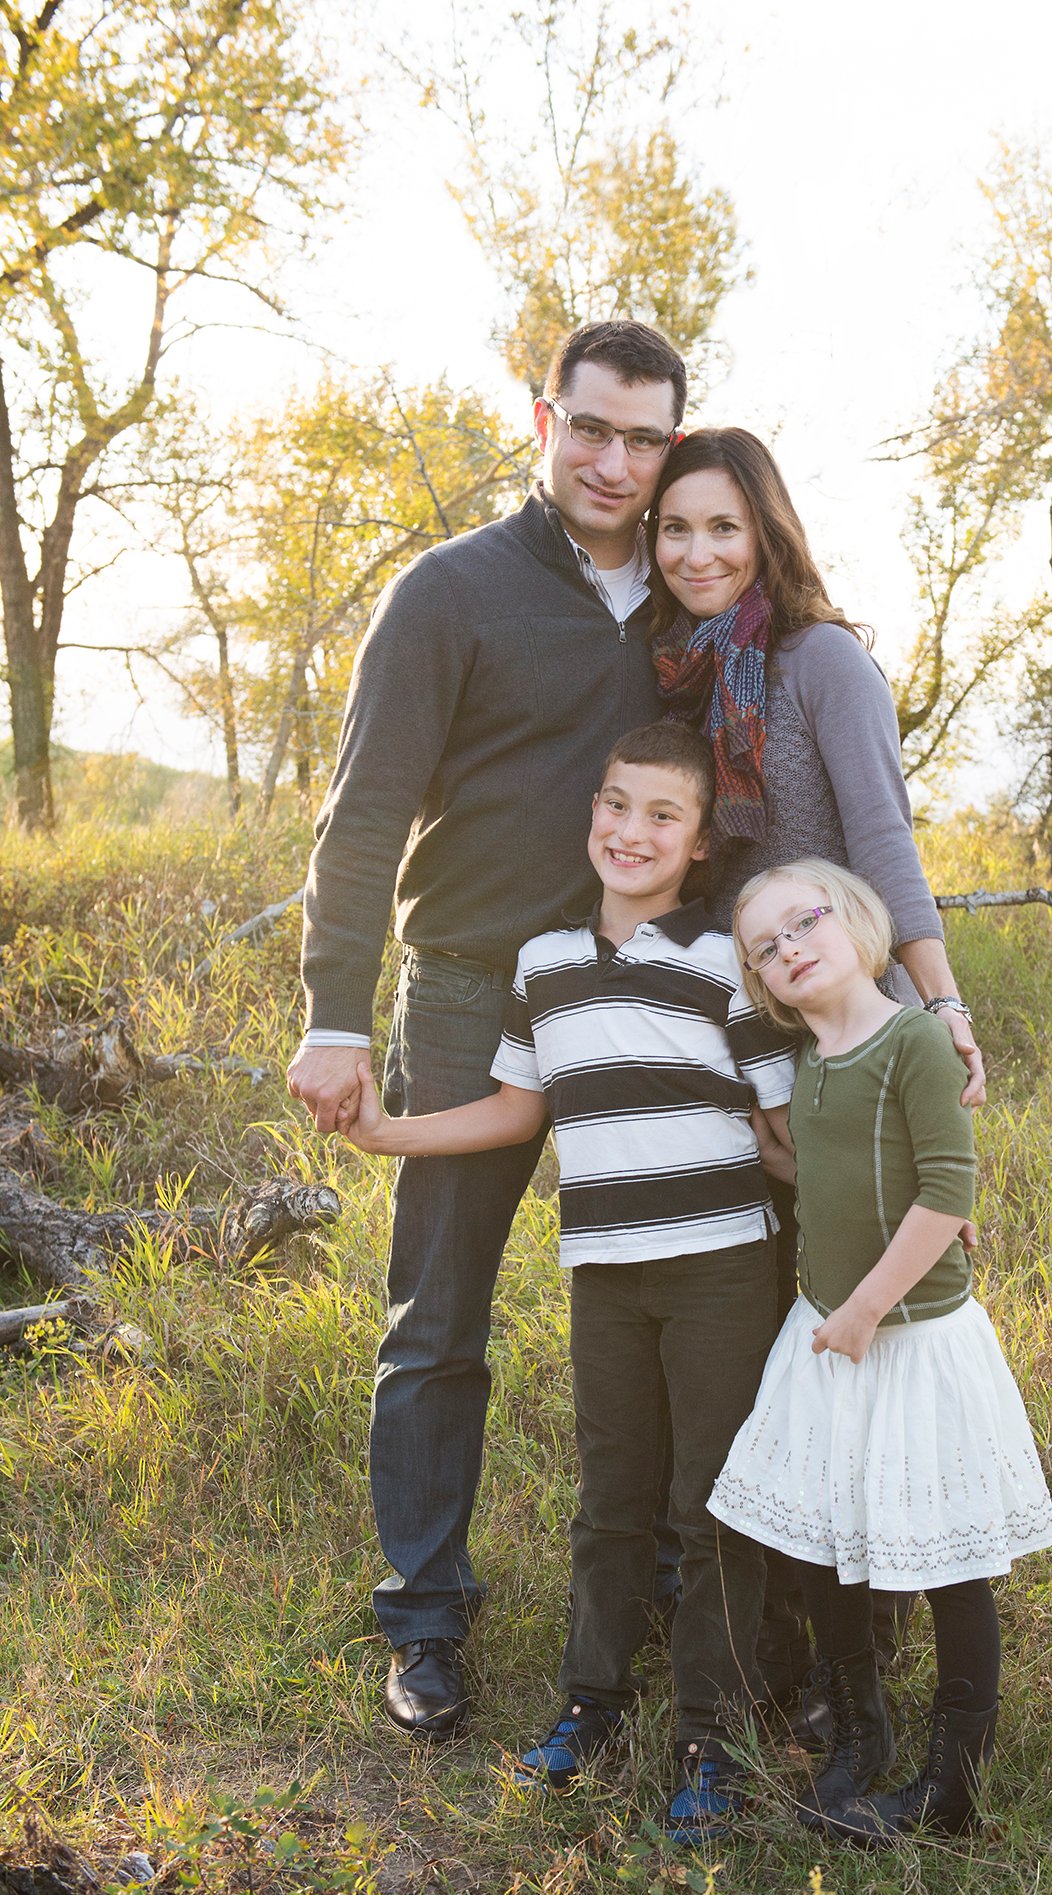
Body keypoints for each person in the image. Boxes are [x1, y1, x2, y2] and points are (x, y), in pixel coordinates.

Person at [286, 321, 689, 1742]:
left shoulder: (693, 600)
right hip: (463, 987)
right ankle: (423, 1619)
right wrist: (336, 1015)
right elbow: (362, 815)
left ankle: (653, 1592)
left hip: (639, 998)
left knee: (657, 1299)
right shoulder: (446, 593)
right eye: (590, 427)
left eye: (643, 438)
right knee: (439, 1316)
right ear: (540, 419)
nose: (613, 462)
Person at [340, 724, 796, 1843]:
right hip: (605, 1275)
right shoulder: (541, 963)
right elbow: (514, 1109)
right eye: (614, 804)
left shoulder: (722, 959)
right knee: (609, 1502)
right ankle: (588, 1701)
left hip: (723, 1269)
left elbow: (781, 1128)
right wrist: (385, 1130)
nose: (629, 831)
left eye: (660, 816)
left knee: (707, 1508)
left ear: (697, 845)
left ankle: (709, 1735)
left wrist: (883, 1223)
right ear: (588, 811)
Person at [647, 425, 986, 1715]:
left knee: (876, 1327)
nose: (695, 551)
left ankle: (882, 1625)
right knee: (783, 1332)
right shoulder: (678, 672)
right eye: (675, 529)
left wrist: (937, 1002)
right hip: (749, 1040)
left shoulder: (818, 660)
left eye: (722, 527)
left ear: (766, 531)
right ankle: (781, 1627)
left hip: (855, 1035)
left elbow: (885, 839)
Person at [710, 859, 1052, 1842]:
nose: (788, 949)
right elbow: (818, 1167)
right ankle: (859, 1733)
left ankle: (950, 1785)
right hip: (829, 1333)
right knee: (826, 1536)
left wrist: (864, 1308)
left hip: (906, 1340)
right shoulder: (811, 1066)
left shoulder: (913, 1040)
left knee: (952, 1565)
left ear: (856, 921)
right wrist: (763, 1148)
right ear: (760, 982)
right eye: (765, 948)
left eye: (802, 923)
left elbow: (946, 1194)